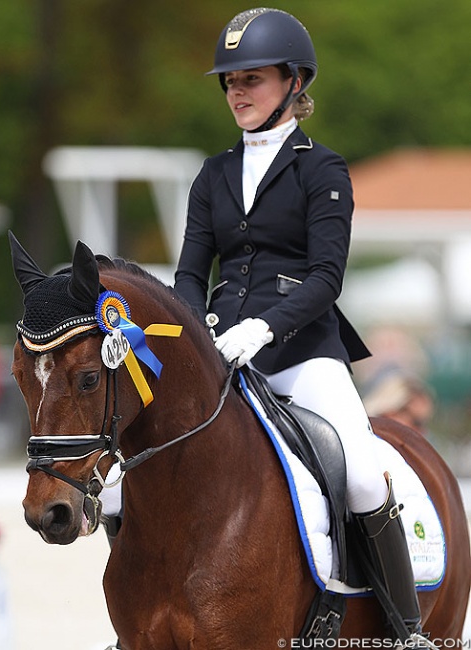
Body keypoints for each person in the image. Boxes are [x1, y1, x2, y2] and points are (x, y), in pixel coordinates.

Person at [174, 8, 430, 645]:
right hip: (220, 352)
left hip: (303, 351)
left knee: (365, 474)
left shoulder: (323, 170)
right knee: (140, 467)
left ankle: (407, 631)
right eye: (229, 81)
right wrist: (184, 340)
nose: (236, 91)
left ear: (293, 81)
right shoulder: (211, 175)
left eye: (251, 78)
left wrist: (263, 329)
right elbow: (187, 277)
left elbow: (325, 278)